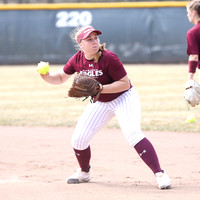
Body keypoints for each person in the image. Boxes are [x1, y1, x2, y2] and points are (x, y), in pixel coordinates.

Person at [38, 25, 171, 189]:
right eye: (89, 39)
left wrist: (99, 88)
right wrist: (46, 76)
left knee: (133, 134)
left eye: (96, 38)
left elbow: (124, 84)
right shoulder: (77, 60)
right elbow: (59, 78)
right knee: (78, 139)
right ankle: (84, 172)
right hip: (101, 101)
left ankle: (160, 174)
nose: (94, 42)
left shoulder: (109, 58)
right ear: (81, 44)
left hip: (124, 98)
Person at [186, 0, 200, 84]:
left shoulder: (193, 32)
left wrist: (190, 78)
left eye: (188, 12)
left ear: (194, 12)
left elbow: (194, 56)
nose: (187, 15)